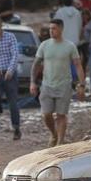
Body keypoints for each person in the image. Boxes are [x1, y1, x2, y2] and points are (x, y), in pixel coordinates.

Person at [31, 18, 85, 148]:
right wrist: (32, 82)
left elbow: (78, 65)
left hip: (64, 85)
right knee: (46, 114)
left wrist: (82, 85)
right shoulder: (44, 45)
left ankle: (60, 141)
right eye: (50, 28)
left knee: (61, 115)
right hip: (47, 84)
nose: (51, 31)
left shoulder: (70, 46)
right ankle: (53, 134)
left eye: (54, 28)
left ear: (61, 29)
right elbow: (36, 64)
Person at [0, 16, 22, 140]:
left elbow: (15, 55)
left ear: (0, 26)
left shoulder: (10, 37)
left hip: (9, 74)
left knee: (13, 102)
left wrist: (11, 70)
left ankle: (16, 127)